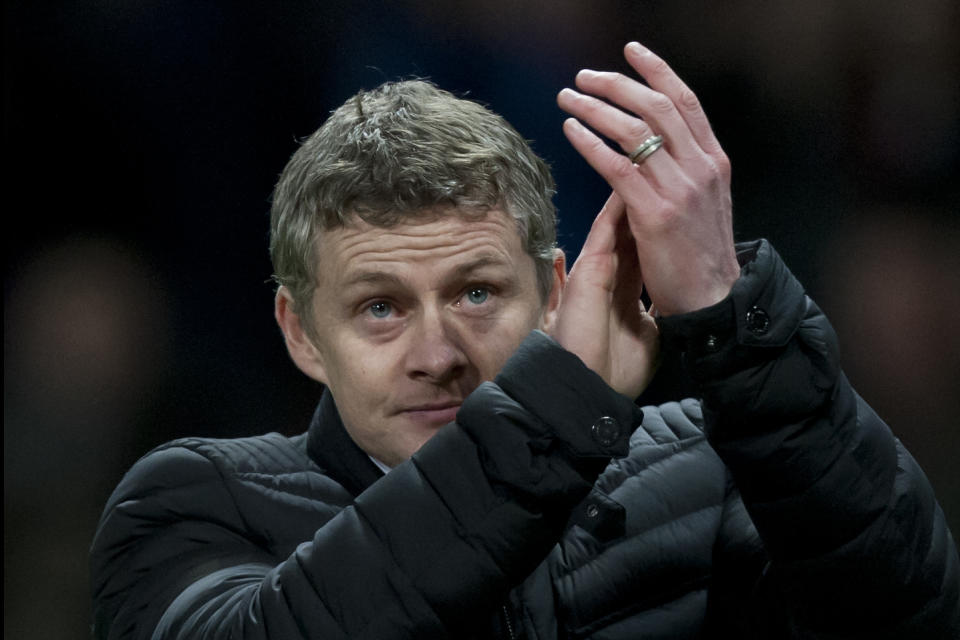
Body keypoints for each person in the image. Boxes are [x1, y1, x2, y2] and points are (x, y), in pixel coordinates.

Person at [90, 42, 959, 639]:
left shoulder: (706, 473)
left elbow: (906, 615)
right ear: (302, 334)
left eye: (475, 291)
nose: (438, 352)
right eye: (381, 308)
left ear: (554, 292)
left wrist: (733, 317)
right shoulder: (190, 505)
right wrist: (561, 405)